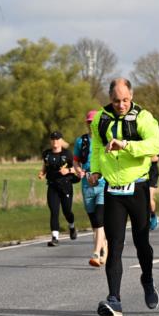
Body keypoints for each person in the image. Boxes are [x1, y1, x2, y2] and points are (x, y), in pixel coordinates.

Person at [89, 78, 159, 316]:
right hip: (113, 190)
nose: (121, 105)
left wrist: (126, 145)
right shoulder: (100, 119)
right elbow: (97, 148)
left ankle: (148, 280)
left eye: (125, 100)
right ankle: (114, 300)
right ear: (109, 99)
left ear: (131, 96)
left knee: (142, 242)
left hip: (138, 187)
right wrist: (95, 170)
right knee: (115, 245)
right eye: (116, 101)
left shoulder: (143, 117)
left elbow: (155, 145)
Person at [73, 110, 107, 266]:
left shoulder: (106, 140)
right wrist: (78, 170)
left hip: (103, 183)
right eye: (89, 122)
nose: (91, 124)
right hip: (87, 185)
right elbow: (75, 160)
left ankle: (95, 253)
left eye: (94, 122)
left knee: (100, 220)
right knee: (95, 223)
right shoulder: (81, 141)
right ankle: (104, 248)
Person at [39, 131, 78, 246]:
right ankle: (55, 237)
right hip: (52, 186)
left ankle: (72, 226)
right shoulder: (46, 154)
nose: (55, 141)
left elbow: (77, 168)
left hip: (65, 186)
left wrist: (68, 170)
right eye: (53, 139)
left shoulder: (68, 154)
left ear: (61, 141)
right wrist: (42, 173)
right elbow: (45, 165)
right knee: (54, 211)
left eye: (57, 139)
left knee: (67, 211)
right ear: (50, 141)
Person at [148, 153, 159, 231]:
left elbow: (156, 158)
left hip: (152, 173)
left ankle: (153, 216)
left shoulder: (155, 146)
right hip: (139, 174)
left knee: (150, 198)